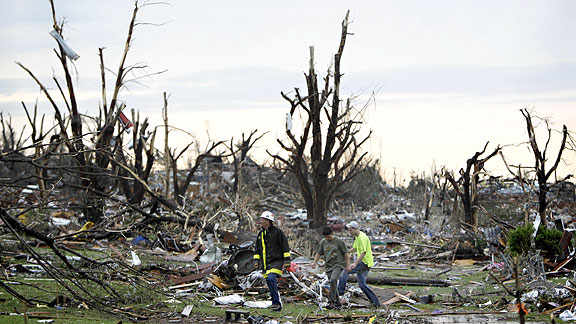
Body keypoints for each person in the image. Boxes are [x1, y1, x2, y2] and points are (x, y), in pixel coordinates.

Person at [253, 211, 291, 311]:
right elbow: (257, 249)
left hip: (277, 261)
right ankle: (276, 304)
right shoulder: (260, 234)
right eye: (261, 219)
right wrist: (256, 260)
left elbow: (285, 246)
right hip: (265, 264)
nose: (261, 221)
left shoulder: (278, 232)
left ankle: (276, 303)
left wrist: (287, 261)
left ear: (269, 221)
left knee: (271, 279)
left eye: (263, 219)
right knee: (270, 283)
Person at [337, 221, 380, 307]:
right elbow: (355, 248)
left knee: (346, 271)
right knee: (362, 285)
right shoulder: (357, 237)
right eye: (349, 230)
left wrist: (355, 263)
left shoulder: (362, 237)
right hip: (365, 263)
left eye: (351, 230)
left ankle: (340, 292)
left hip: (365, 262)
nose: (350, 232)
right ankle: (376, 302)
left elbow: (363, 252)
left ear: (356, 228)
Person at [312, 226, 350, 309]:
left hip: (339, 264)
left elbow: (346, 254)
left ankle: (331, 301)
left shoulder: (339, 241)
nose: (327, 238)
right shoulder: (323, 242)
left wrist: (348, 265)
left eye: (328, 236)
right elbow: (318, 253)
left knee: (333, 279)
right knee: (333, 284)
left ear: (332, 234)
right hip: (329, 265)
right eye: (325, 237)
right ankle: (338, 303)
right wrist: (315, 262)